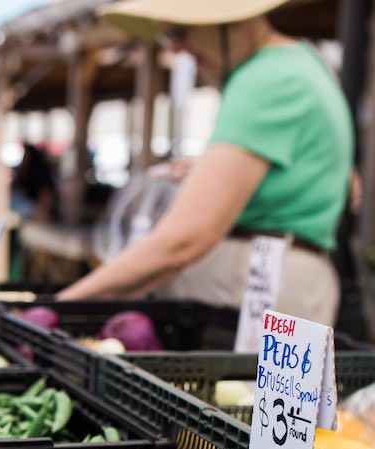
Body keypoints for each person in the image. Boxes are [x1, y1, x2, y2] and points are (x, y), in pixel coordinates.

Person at [58, 0, 354, 328]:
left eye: (182, 31)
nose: (176, 47)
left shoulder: (266, 78)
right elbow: (351, 186)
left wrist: (60, 307)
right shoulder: (302, 63)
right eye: (168, 35)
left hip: (259, 284)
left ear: (232, 20)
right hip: (287, 279)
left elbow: (182, 242)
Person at [11, 143, 59, 223]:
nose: (24, 158)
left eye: (25, 155)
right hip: (29, 209)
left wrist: (41, 213)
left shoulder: (40, 172)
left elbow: (47, 195)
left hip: (35, 210)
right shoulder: (25, 171)